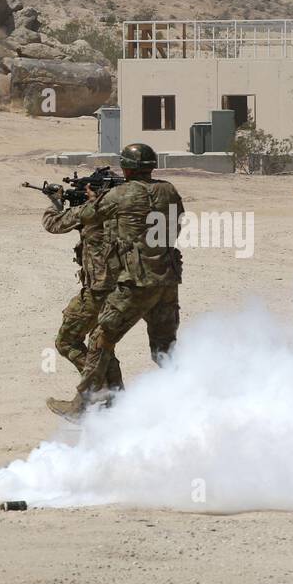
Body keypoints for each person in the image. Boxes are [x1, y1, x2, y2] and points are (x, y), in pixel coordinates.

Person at [47, 143, 184, 420]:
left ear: (127, 168)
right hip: (167, 281)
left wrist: (71, 204)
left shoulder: (119, 196)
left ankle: (82, 404)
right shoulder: (168, 190)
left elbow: (70, 220)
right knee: (164, 351)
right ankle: (193, 398)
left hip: (136, 284)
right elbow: (175, 224)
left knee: (100, 340)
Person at [42, 182, 124, 393]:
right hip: (124, 290)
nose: (86, 193)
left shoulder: (90, 211)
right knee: (103, 346)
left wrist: (55, 202)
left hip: (98, 291)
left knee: (67, 341)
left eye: (88, 190)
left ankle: (99, 390)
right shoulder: (129, 211)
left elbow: (53, 224)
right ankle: (118, 398)